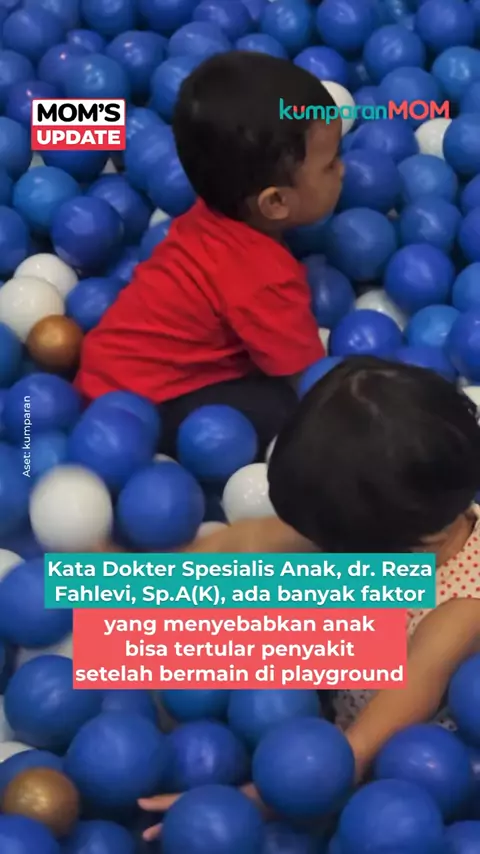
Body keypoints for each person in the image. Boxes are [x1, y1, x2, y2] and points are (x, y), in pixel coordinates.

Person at [138, 357, 480, 840]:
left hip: (399, 757)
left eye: (332, 542)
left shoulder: (461, 610)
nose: (320, 545)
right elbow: (248, 542)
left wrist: (252, 801)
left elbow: (363, 745)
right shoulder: (383, 511)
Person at [75, 51, 344, 455]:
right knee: (291, 410)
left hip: (103, 375)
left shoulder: (215, 209)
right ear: (274, 203)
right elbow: (305, 375)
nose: (344, 170)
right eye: (330, 165)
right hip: (140, 413)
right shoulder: (265, 277)